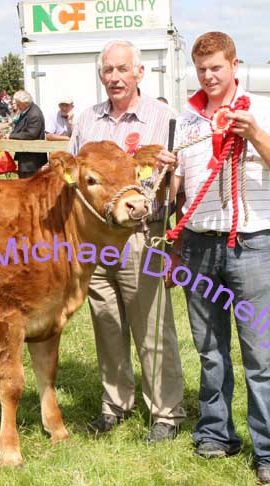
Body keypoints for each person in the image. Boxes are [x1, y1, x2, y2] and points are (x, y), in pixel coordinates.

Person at [158, 31, 270, 485]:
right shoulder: (189, 118)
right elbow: (177, 190)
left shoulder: (265, 111)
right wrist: (164, 174)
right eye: (202, 70)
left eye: (216, 67)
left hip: (250, 246)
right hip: (199, 244)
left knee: (260, 356)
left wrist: (255, 134)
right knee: (210, 351)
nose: (209, 76)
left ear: (234, 64)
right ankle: (216, 433)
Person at [68, 40, 186, 443]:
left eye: (122, 69)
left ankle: (166, 413)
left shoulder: (163, 117)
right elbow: (72, 182)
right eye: (108, 71)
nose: (115, 77)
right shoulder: (86, 120)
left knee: (151, 326)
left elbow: (179, 180)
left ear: (139, 73)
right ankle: (115, 405)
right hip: (95, 240)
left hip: (141, 236)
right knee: (107, 324)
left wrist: (172, 176)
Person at [8, 90, 47, 178]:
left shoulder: (34, 114)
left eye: (18, 104)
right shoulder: (27, 110)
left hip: (31, 159)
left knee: (28, 184)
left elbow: (31, 134)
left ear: (24, 103)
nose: (17, 106)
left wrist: (11, 136)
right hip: (26, 156)